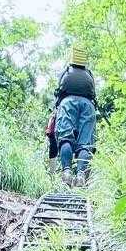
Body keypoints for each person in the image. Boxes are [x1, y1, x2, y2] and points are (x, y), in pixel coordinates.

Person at [54, 47, 96, 184]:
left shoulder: (66, 72)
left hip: (67, 103)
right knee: (85, 144)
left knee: (65, 138)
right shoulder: (89, 75)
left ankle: (66, 173)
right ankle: (80, 176)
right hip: (88, 106)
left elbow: (58, 92)